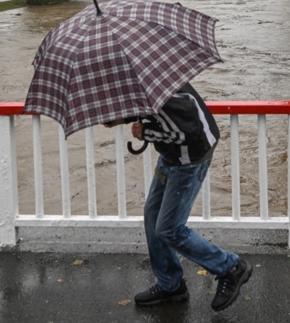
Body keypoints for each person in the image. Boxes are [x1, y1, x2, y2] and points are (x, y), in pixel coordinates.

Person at [104, 83, 252, 312]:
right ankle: (170, 284)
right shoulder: (152, 76)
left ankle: (231, 267)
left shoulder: (168, 93)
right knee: (153, 217)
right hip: (172, 156)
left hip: (189, 161)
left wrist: (145, 133)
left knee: (169, 229)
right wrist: (124, 117)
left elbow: (186, 132)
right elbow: (155, 110)